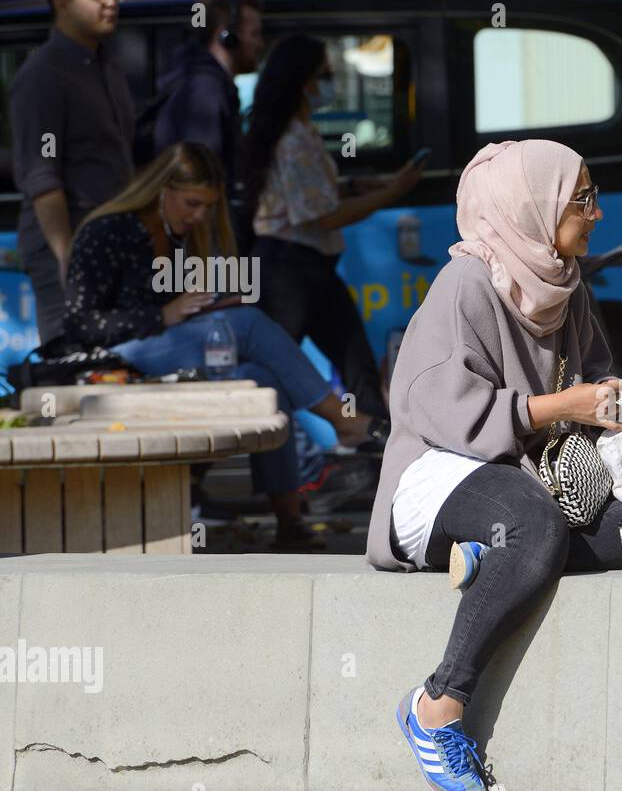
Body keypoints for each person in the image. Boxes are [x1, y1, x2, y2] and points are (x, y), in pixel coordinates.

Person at [367, 140, 622, 791]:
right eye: (583, 198)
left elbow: (588, 377)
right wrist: (561, 407)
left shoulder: (566, 280)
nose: (598, 212)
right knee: (532, 521)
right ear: (533, 206)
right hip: (437, 472)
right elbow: (437, 408)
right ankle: (437, 704)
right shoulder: (467, 282)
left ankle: (495, 560)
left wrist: (618, 393)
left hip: (520, 474)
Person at [61, 142, 382, 547]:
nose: (199, 216)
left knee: (261, 381)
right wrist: (163, 316)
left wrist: (198, 311)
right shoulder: (107, 231)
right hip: (111, 362)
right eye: (192, 203)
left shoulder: (178, 238)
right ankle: (343, 419)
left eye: (208, 207)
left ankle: (289, 521)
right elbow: (79, 323)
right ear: (162, 189)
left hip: (161, 353)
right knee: (245, 324)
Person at [243, 33, 424, 433]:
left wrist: (363, 186)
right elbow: (320, 215)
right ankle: (245, 465)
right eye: (324, 75)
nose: (331, 84)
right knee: (273, 367)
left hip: (310, 266)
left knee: (353, 359)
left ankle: (373, 444)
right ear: (303, 81)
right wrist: (391, 193)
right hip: (289, 268)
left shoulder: (300, 134)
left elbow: (315, 197)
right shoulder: (293, 140)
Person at [9, 0, 134, 347]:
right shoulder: (44, 76)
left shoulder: (106, 65)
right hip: (69, 244)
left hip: (112, 240)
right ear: (60, 2)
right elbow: (43, 173)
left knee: (119, 362)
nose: (109, 1)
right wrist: (66, 255)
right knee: (74, 364)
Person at [146, 0, 265, 218]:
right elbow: (199, 179)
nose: (260, 44)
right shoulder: (204, 91)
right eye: (255, 34)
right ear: (227, 37)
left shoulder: (208, 86)